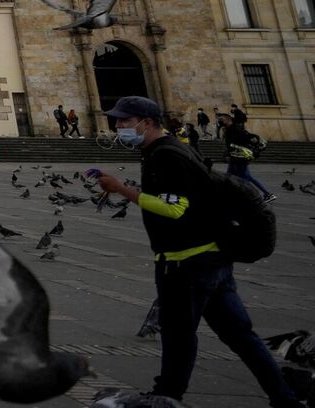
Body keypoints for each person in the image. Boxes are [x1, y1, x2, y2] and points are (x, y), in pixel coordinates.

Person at [93, 96, 300, 407]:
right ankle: (285, 399)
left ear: (146, 123)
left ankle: (167, 397)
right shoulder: (174, 149)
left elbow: (175, 209)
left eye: (125, 120)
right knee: (241, 336)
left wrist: (122, 189)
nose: (118, 126)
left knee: (178, 336)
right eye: (117, 120)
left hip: (186, 262)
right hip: (213, 257)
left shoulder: (165, 155)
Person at [219, 112, 271, 200]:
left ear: (228, 119)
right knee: (230, 177)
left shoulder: (235, 129)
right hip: (235, 157)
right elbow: (231, 144)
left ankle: (262, 194)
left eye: (222, 119)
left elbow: (243, 140)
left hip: (240, 157)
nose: (220, 121)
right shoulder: (229, 129)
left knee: (244, 178)